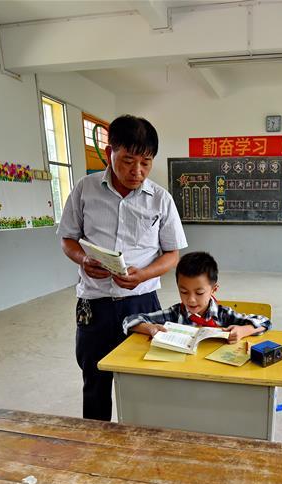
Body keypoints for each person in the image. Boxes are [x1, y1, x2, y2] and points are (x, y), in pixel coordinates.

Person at [57, 115, 187, 421]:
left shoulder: (161, 200)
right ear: (109, 153)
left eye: (146, 162)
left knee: (146, 381)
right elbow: (67, 239)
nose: (137, 171)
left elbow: (172, 254)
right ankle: (97, 448)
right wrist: (83, 260)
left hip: (142, 304)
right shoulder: (84, 189)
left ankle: (142, 448)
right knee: (95, 381)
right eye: (128, 160)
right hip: (95, 305)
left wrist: (143, 274)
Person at [122, 251, 271, 341]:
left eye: (199, 293)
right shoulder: (174, 314)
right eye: (184, 292)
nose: (191, 299)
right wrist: (150, 328)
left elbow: (265, 322)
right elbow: (129, 321)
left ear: (214, 289)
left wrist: (244, 330)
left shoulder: (223, 315)